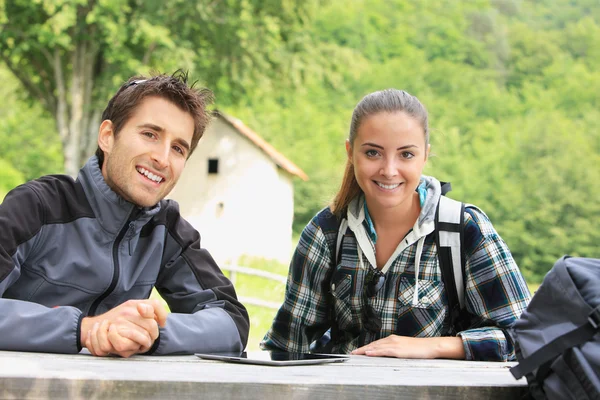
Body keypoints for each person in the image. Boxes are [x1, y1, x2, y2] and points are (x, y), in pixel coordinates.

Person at [262, 89, 531, 361]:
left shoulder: (463, 230)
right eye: (372, 153)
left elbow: (524, 336)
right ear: (350, 152)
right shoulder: (327, 231)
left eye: (406, 155)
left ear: (425, 156)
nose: (389, 170)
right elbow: (287, 345)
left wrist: (432, 346)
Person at [0, 71, 249, 357]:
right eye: (150, 134)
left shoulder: (167, 229)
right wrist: (86, 329)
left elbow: (232, 323)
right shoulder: (38, 206)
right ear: (107, 136)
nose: (162, 158)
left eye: (178, 148)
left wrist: (149, 333)